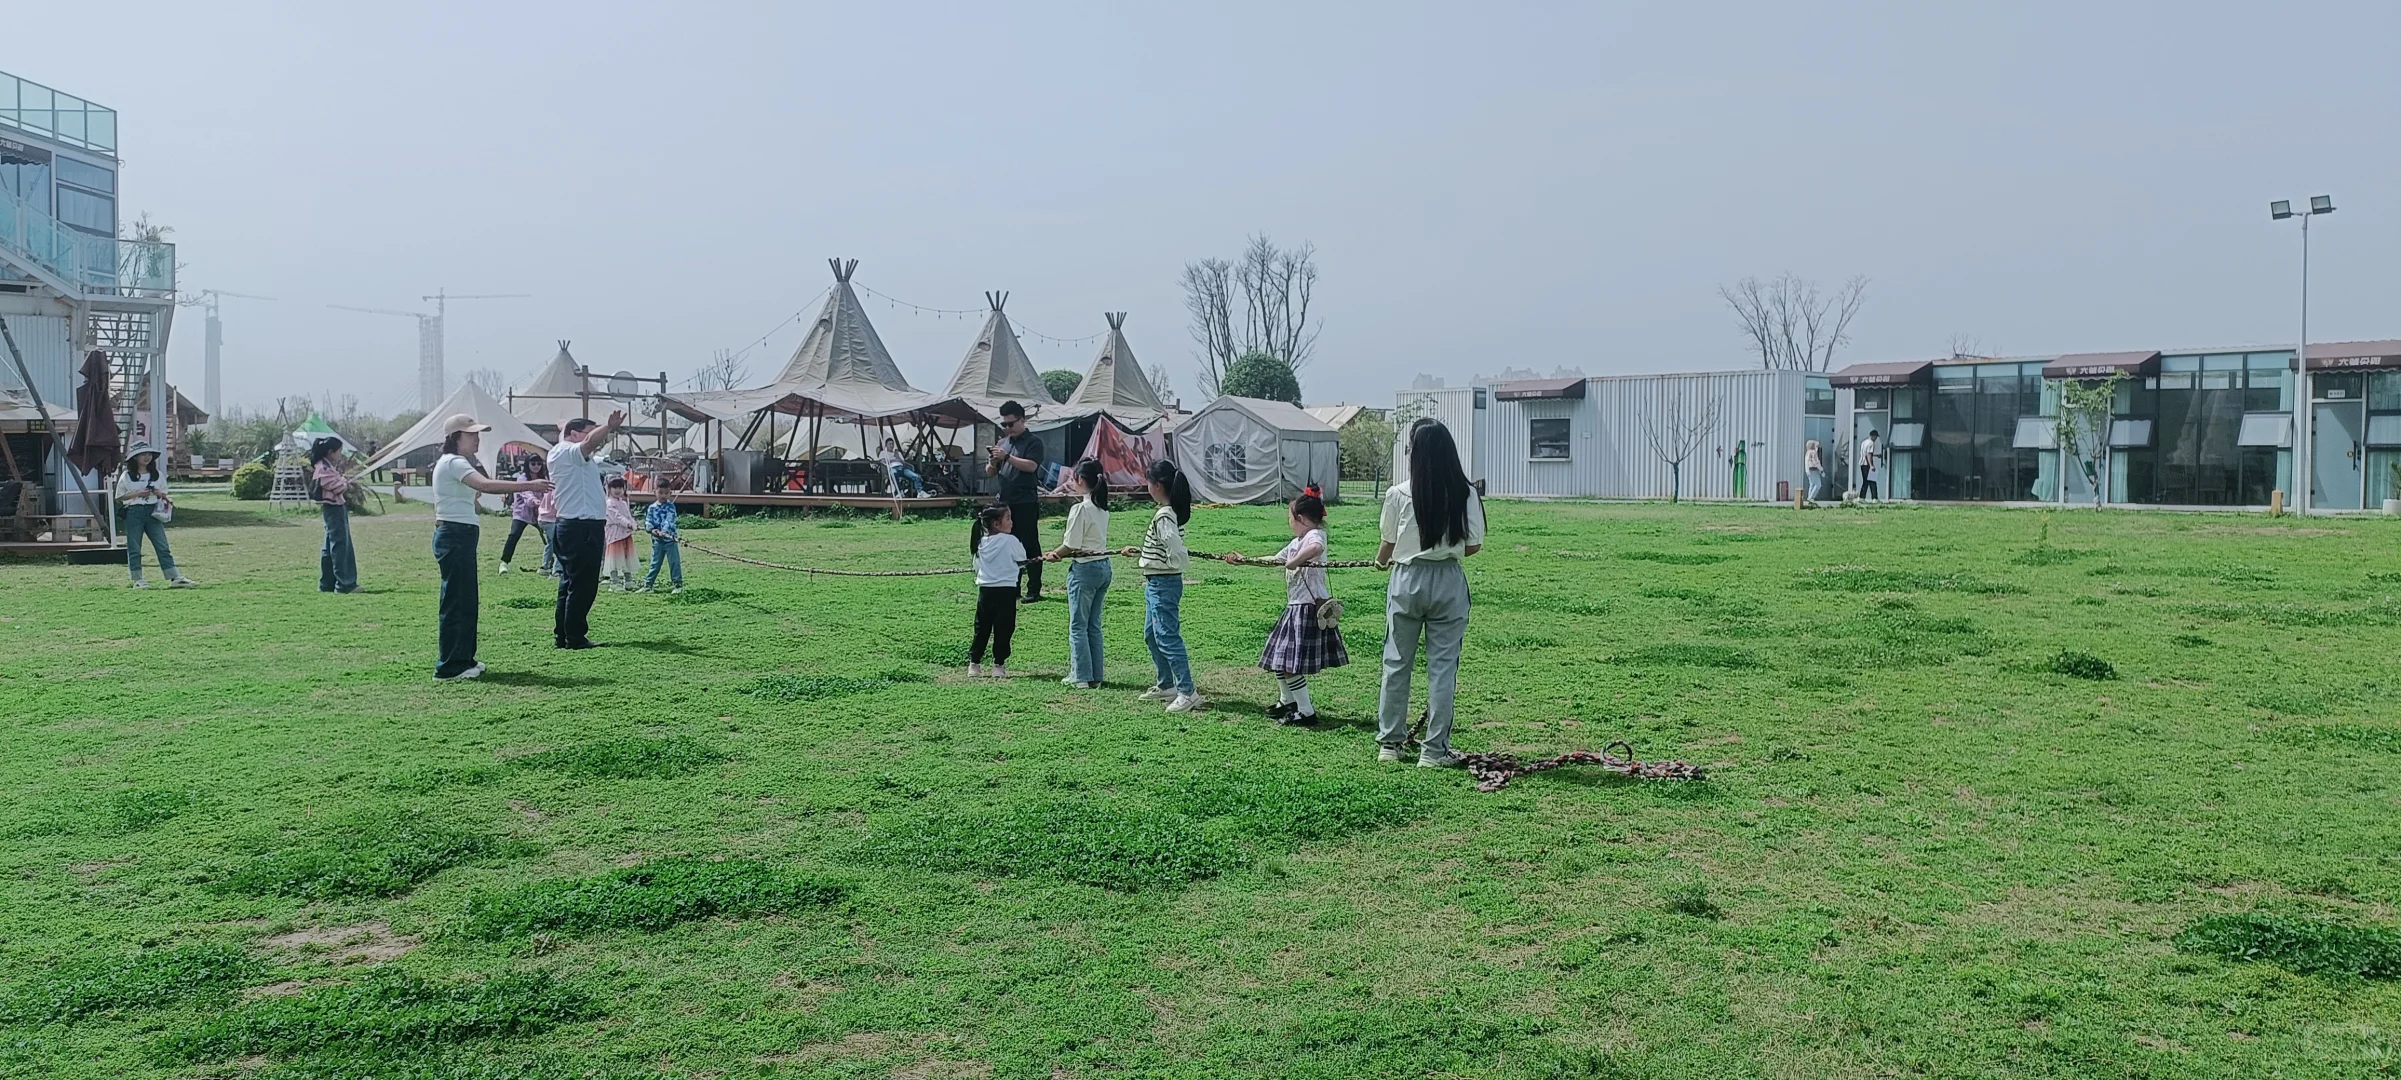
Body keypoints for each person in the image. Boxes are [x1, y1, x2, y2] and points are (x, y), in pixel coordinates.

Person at [1376, 420, 1486, 767]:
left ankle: (1390, 745)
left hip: (1407, 578)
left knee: (1396, 663)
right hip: (1448, 581)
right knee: (1442, 669)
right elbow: (1473, 546)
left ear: (1415, 453)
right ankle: (1434, 751)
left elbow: (1388, 543)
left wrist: (1382, 562)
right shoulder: (1465, 492)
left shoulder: (1398, 493)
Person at [429, 415, 552, 680]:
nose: (477, 438)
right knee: (456, 601)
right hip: (455, 535)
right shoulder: (454, 462)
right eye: (472, 434)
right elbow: (484, 485)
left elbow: (474, 491)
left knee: (465, 599)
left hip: (459, 534)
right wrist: (529, 484)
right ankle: (449, 666)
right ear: (456, 437)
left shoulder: (456, 463)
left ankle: (463, 659)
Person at [1225, 491, 1347, 725]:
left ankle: (1306, 712)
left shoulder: (1315, 535)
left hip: (1307, 609)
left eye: (1290, 518)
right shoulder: (1296, 543)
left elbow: (1317, 548)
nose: (1289, 522)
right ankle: (1287, 700)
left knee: (1289, 663)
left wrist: (1295, 561)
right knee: (1278, 658)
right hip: (1295, 608)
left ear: (1300, 518)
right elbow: (1275, 559)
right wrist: (1246, 559)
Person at [1122, 458, 1200, 712]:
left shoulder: (1164, 515)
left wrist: (1174, 561)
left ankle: (1187, 691)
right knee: (1152, 635)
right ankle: (1166, 684)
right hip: (1156, 582)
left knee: (1167, 636)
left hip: (1163, 583)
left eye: (1148, 482)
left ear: (1156, 485)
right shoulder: (1169, 513)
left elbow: (1174, 547)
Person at [546, 411, 625, 649]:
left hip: (573, 525)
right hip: (581, 526)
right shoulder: (567, 452)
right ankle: (575, 636)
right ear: (574, 434)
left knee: (570, 583)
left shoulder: (568, 454)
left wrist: (563, 427)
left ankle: (565, 634)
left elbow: (587, 443)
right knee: (584, 584)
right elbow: (589, 442)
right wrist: (608, 426)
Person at [1044, 459, 1112, 688]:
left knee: (1078, 625)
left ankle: (1080, 675)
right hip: (1103, 566)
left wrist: (1055, 554)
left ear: (1080, 480)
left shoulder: (1080, 508)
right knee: (1093, 624)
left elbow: (1071, 544)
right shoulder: (1102, 508)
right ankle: (1095, 675)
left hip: (1084, 569)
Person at [983, 400, 1046, 603]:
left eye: (1011, 424)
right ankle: (1013, 586)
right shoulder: (1003, 443)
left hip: (1025, 502)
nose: (1008, 428)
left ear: (1022, 420)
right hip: (1005, 503)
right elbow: (990, 472)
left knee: (1029, 544)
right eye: (1004, 425)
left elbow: (1031, 466)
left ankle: (1034, 589)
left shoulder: (1033, 442)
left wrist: (1007, 456)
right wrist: (993, 462)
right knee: (1007, 545)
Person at [115, 442, 195, 589]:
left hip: (153, 511)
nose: (147, 457)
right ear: (135, 458)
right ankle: (137, 579)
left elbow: (164, 494)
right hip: (134, 512)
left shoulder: (157, 474)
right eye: (143, 454)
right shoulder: (127, 476)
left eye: (149, 454)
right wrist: (138, 493)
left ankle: (174, 577)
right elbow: (120, 497)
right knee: (134, 547)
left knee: (162, 545)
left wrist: (159, 494)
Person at [967, 503, 1024, 678]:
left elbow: (976, 566)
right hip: (1006, 591)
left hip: (985, 591)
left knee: (981, 627)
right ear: (996, 524)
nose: (1012, 522)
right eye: (1008, 518)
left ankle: (974, 664)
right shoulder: (1010, 540)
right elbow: (1022, 558)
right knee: (1004, 628)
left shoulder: (980, 542)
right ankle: (999, 665)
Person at [308, 436, 357, 593]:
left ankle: (327, 583)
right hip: (333, 509)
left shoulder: (326, 467)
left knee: (330, 545)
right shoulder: (323, 468)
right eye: (339, 451)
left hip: (335, 508)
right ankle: (344, 584)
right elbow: (336, 487)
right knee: (339, 545)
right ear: (330, 452)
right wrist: (344, 482)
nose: (340, 455)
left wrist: (343, 480)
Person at [497, 456, 548, 574]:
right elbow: (526, 493)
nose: (536, 466)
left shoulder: (544, 478)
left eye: (538, 464)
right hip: (522, 513)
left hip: (539, 513)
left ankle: (552, 563)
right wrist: (535, 501)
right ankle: (504, 563)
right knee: (514, 535)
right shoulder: (522, 478)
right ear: (527, 464)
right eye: (533, 463)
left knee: (549, 537)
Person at [641, 493, 683, 594]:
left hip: (670, 540)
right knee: (655, 563)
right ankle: (648, 585)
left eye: (666, 492)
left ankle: (678, 585)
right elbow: (648, 521)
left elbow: (670, 521)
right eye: (660, 492)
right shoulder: (652, 508)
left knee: (674, 562)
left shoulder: (671, 506)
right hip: (657, 541)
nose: (663, 495)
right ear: (655, 492)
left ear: (670, 493)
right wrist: (651, 529)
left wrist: (664, 531)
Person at [602, 476, 637, 591]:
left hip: (626, 534)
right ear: (609, 488)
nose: (617, 490)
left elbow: (628, 515)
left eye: (620, 487)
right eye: (614, 487)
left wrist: (632, 523)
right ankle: (614, 582)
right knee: (614, 558)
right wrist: (628, 524)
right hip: (614, 534)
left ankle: (628, 580)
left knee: (627, 556)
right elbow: (617, 517)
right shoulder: (609, 503)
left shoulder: (623, 502)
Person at [1857, 429, 1882, 501]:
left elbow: (1865, 453)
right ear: (1873, 436)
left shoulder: (1864, 442)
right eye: (1876, 437)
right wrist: (1871, 465)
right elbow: (1869, 454)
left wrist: (1876, 455)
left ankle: (1862, 497)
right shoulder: (1871, 443)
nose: (1876, 439)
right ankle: (1874, 498)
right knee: (1872, 481)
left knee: (1866, 481)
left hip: (1862, 463)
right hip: (1867, 464)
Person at [1803, 439, 1826, 503]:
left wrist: (1807, 471)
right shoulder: (1813, 453)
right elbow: (1816, 463)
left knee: (1812, 484)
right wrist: (1821, 470)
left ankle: (1809, 497)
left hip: (1808, 471)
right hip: (1814, 470)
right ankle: (1811, 498)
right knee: (1818, 484)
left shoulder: (1807, 453)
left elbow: (1807, 463)